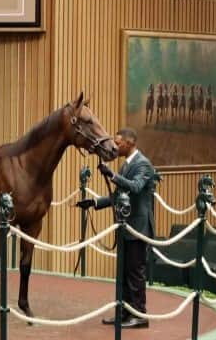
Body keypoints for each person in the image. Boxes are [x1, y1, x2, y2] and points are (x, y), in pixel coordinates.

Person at [76, 127, 155, 329]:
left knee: (135, 273)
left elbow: (135, 187)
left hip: (138, 228)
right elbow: (118, 195)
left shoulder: (143, 164)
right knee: (123, 273)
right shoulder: (126, 165)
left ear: (130, 143)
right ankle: (124, 313)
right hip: (125, 228)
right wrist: (94, 203)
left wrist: (111, 175)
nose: (115, 146)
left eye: (118, 143)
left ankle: (140, 315)